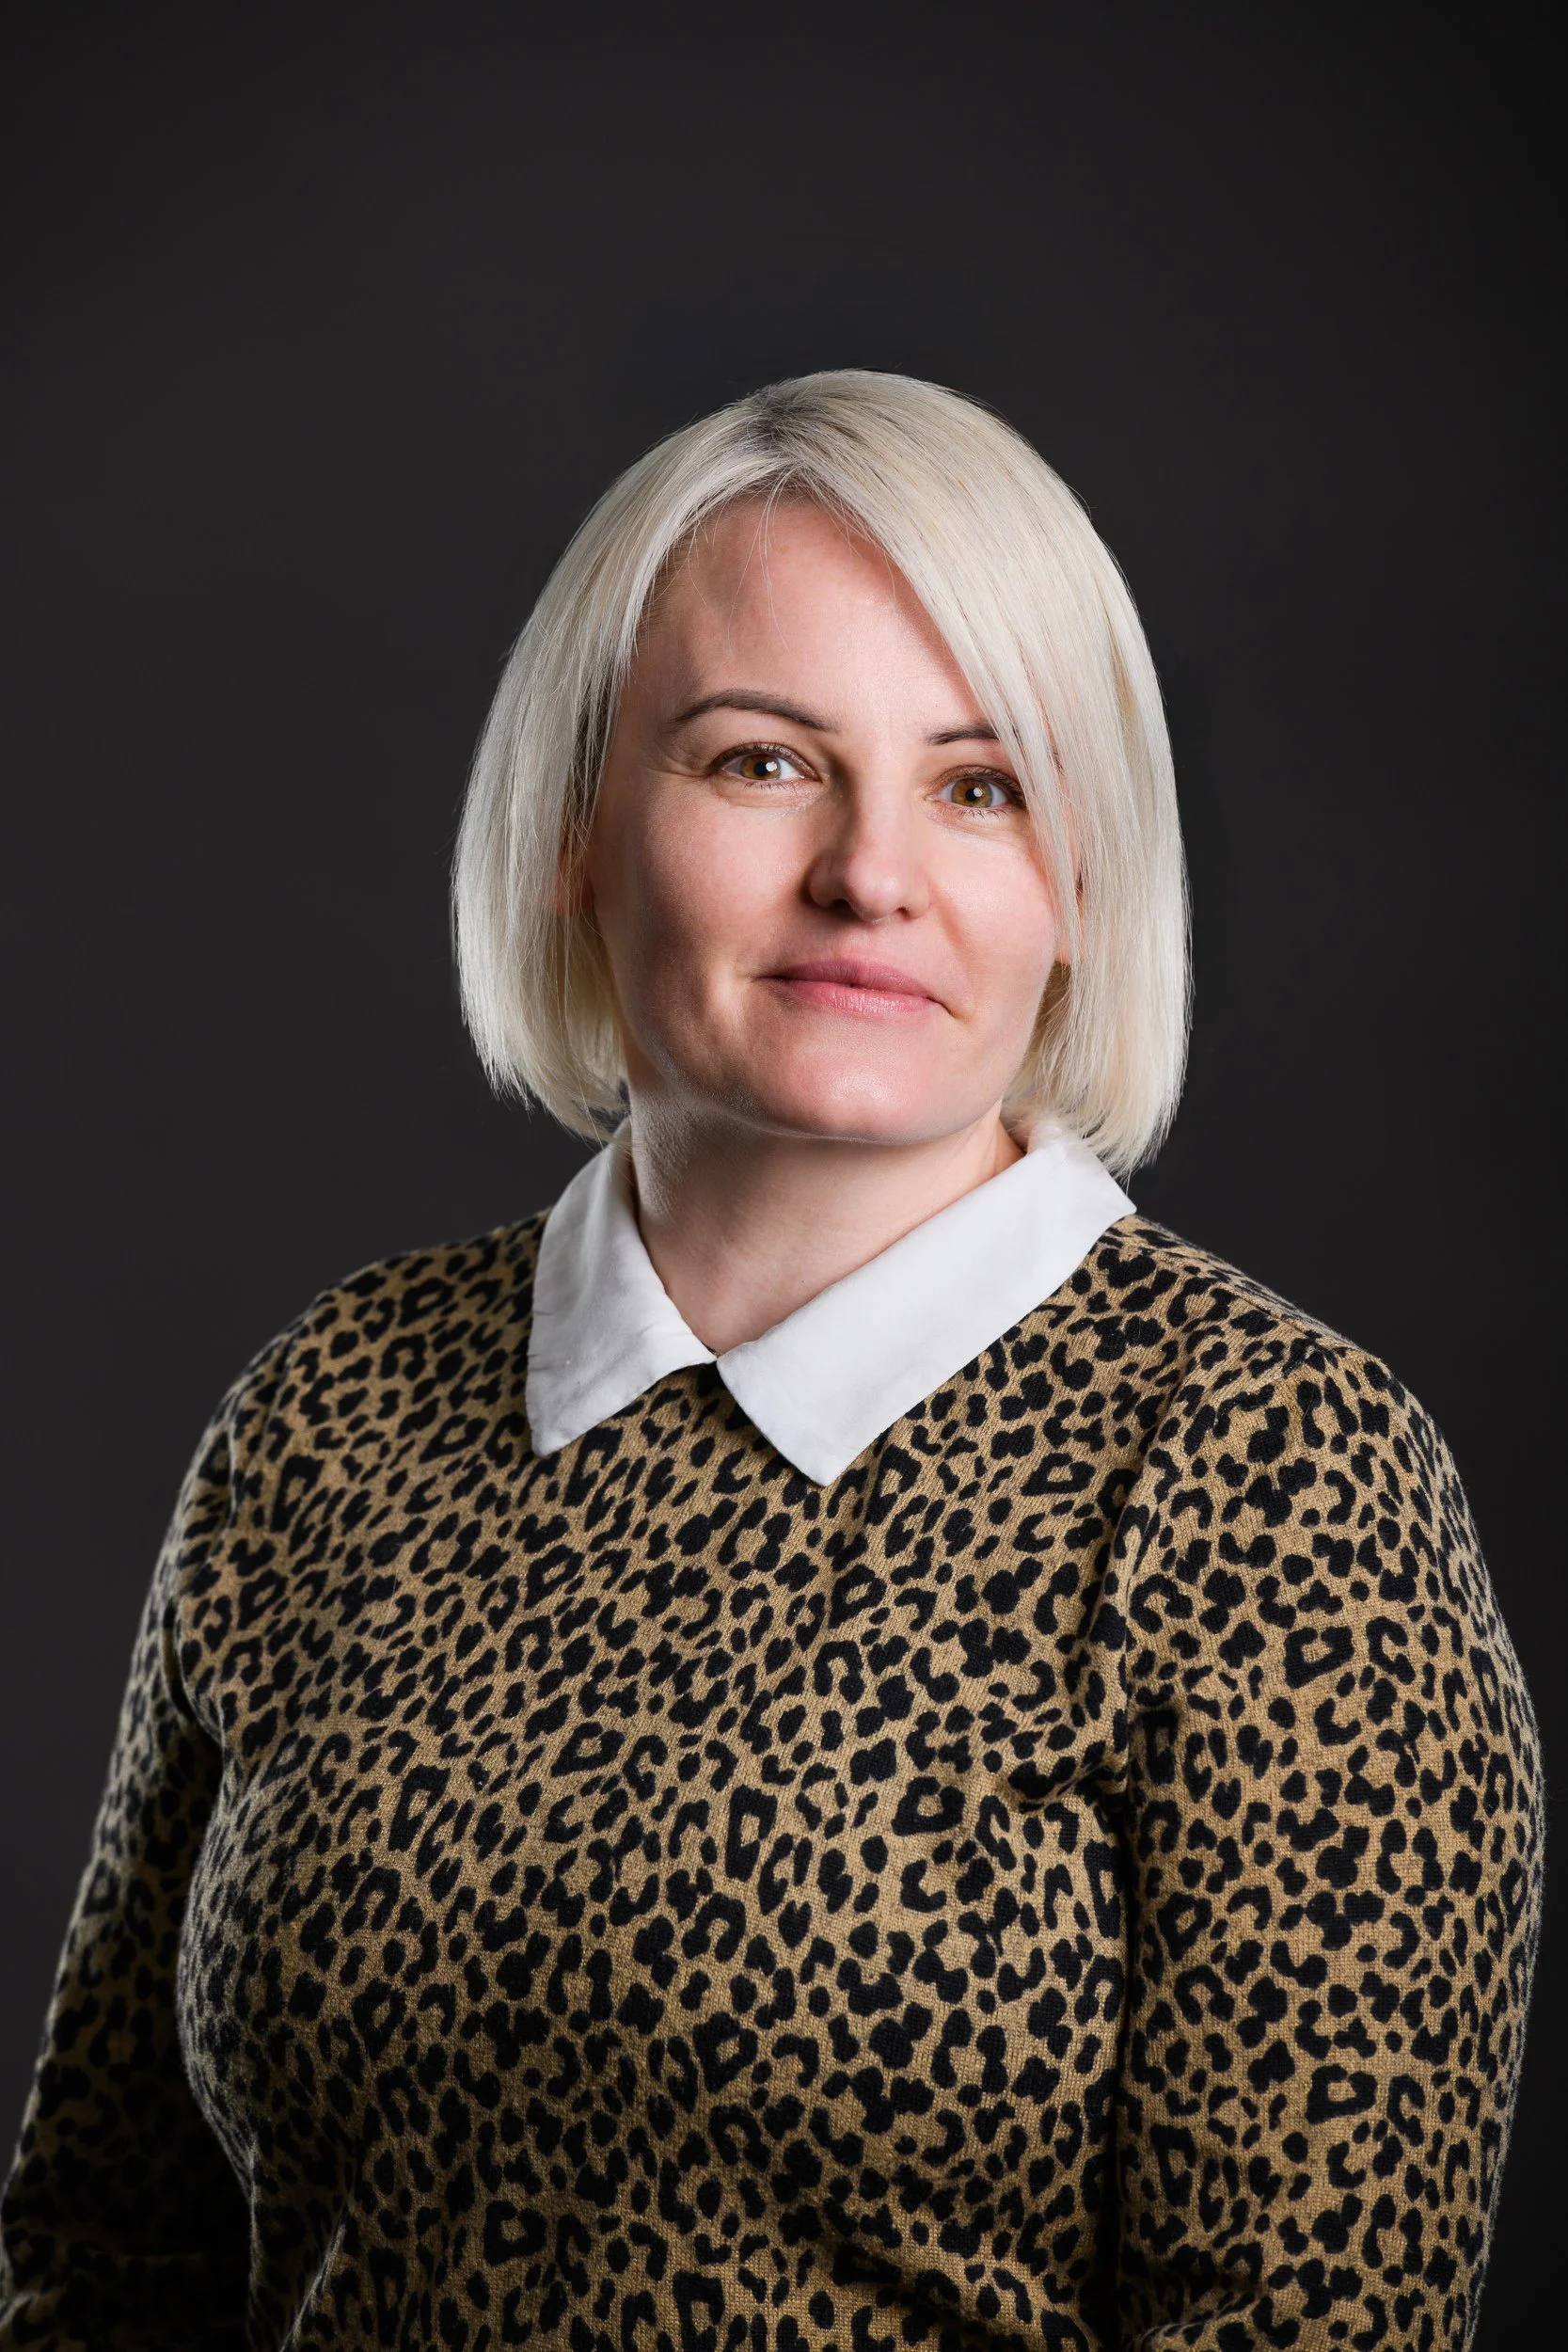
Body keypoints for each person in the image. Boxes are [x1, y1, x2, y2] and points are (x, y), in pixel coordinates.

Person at [0, 373, 1541, 2352]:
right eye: (759, 762)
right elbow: (103, 2248)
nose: (870, 873)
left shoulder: (1271, 1473)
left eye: (980, 784)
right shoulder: (331, 1411)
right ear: (573, 824)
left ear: (1075, 883)